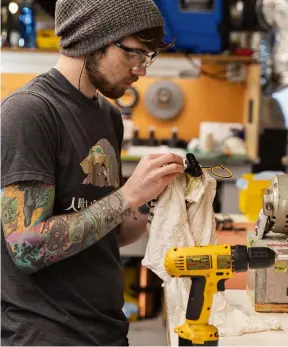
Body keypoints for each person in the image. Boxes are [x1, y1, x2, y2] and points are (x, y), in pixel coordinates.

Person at [1, 0, 184, 345]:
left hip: (106, 328)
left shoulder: (108, 115)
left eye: (147, 58)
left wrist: (155, 201)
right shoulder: (29, 113)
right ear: (94, 39)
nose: (141, 70)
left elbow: (106, 233)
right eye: (134, 54)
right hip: (48, 334)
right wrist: (128, 195)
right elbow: (26, 249)